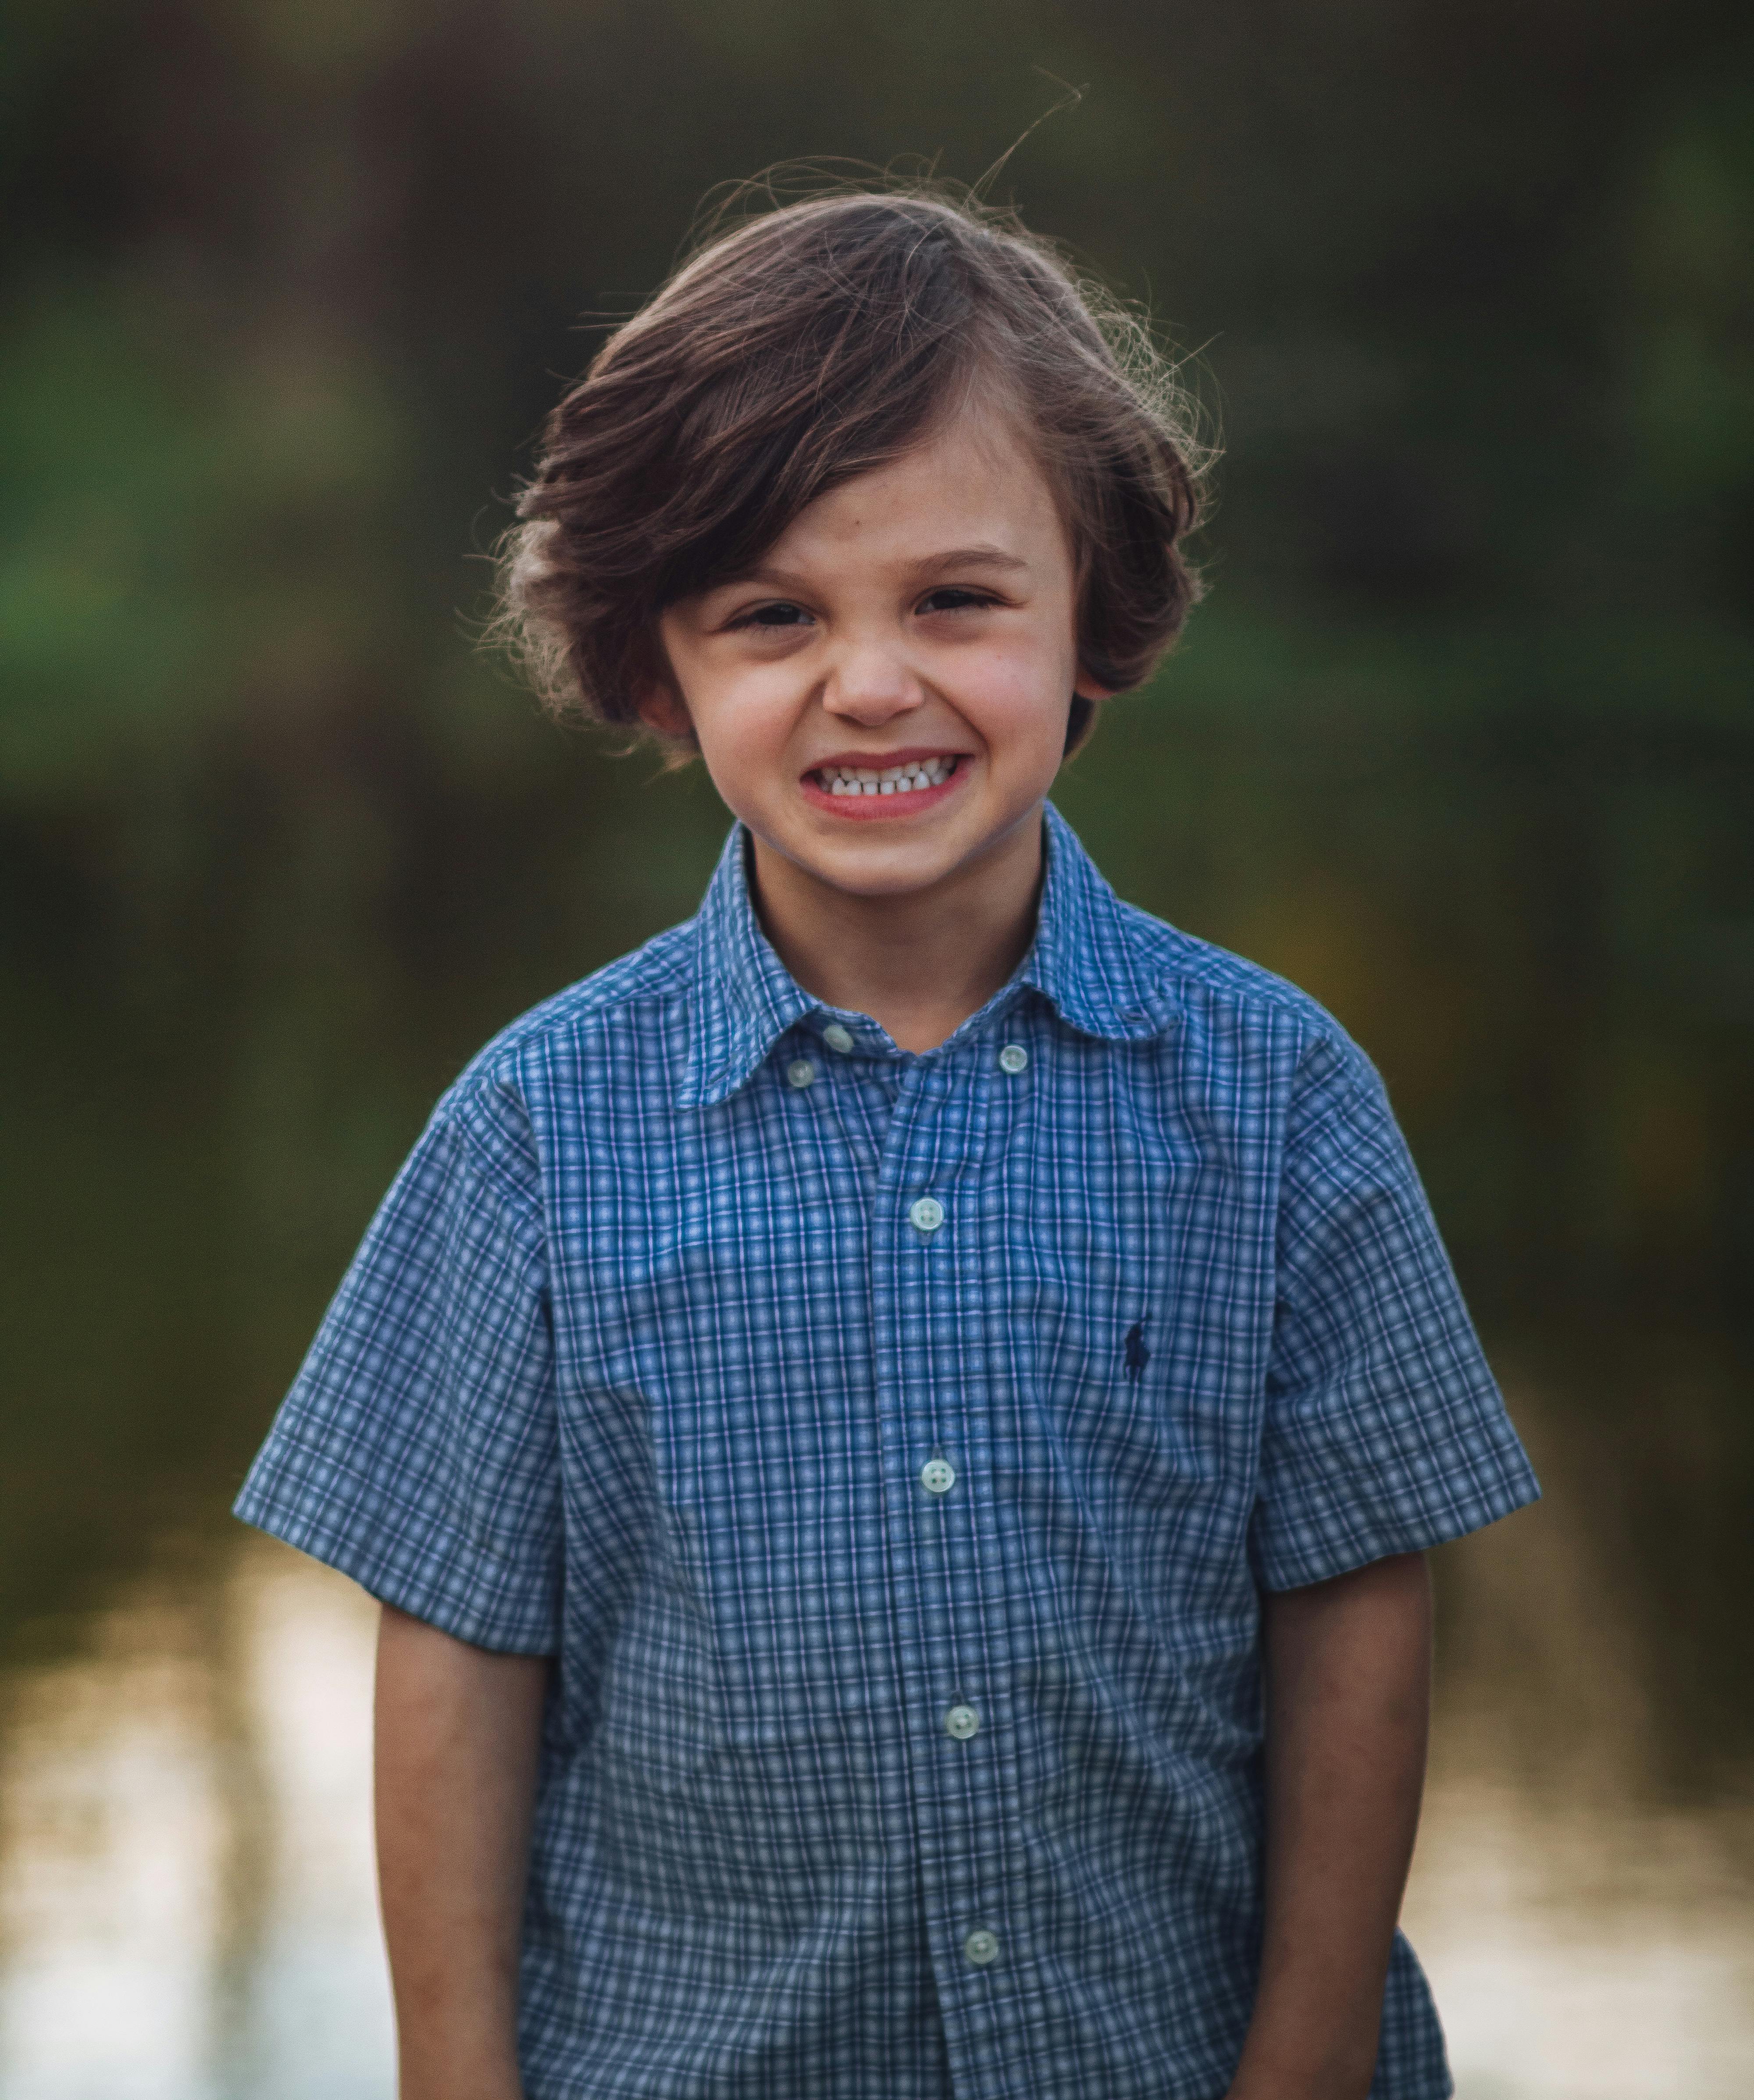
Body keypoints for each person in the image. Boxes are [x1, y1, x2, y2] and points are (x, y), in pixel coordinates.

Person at [234, 184, 1539, 2100]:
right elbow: (457, 1650)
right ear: (657, 668)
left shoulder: (1277, 1095)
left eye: (954, 598)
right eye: (772, 616)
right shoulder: (531, 1131)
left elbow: (1350, 1595)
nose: (869, 681)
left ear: (1090, 607)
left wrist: (1305, 2061)